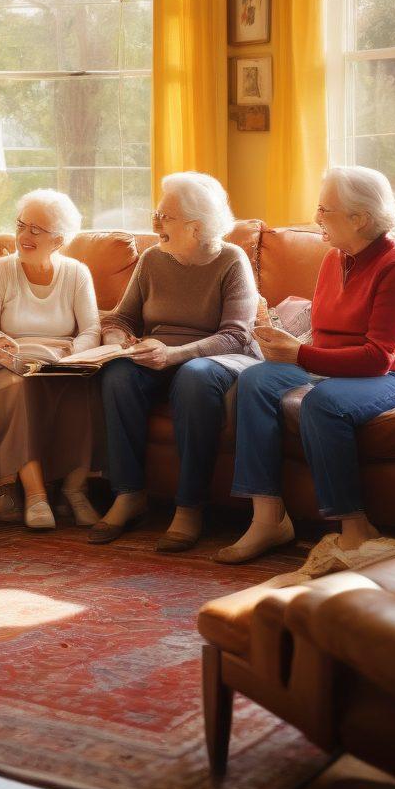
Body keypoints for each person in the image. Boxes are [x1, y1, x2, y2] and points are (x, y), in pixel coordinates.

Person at [215, 166, 395, 573]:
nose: (316, 217)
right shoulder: (334, 258)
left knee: (323, 403)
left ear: (360, 218)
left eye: (325, 209)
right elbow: (325, 339)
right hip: (337, 368)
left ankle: (356, 528)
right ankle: (267, 519)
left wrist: (300, 357)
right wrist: (286, 345)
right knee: (253, 379)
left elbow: (379, 357)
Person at [91, 173, 261, 552]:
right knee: (118, 374)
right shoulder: (153, 258)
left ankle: (189, 507)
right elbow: (121, 318)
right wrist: (119, 343)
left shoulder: (232, 262)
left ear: (195, 226)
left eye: (164, 216)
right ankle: (129, 494)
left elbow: (237, 335)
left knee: (193, 377)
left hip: (220, 360)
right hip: (159, 357)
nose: (155, 224)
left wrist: (174, 354)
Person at [0, 190, 101, 530]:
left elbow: (91, 329)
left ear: (58, 239)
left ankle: (75, 490)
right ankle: (36, 495)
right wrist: (0, 343)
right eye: (21, 226)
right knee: (18, 389)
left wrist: (75, 355)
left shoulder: (76, 273)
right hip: (2, 363)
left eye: (36, 230)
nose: (24, 236)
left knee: (86, 388)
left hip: (59, 362)